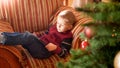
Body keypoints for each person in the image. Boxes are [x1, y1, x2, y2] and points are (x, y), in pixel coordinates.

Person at [0, 10, 76, 59]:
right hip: (40, 44)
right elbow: (47, 34)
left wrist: (56, 48)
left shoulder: (67, 37)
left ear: (70, 27)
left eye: (62, 25)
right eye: (58, 23)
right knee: (27, 35)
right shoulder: (55, 27)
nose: (58, 26)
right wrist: (38, 36)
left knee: (28, 37)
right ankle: (4, 37)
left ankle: (2, 38)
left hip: (45, 52)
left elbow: (65, 53)